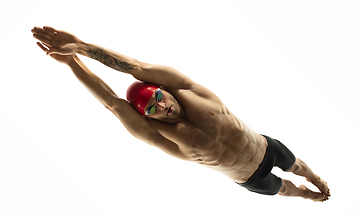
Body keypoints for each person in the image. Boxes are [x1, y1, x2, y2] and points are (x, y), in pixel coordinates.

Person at [31, 26, 330, 202]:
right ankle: (310, 196)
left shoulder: (190, 92)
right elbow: (112, 102)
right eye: (152, 108)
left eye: (159, 97)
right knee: (289, 191)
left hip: (267, 148)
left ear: (164, 89)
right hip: (249, 178)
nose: (161, 106)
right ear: (147, 116)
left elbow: (135, 66)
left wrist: (82, 47)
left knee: (299, 167)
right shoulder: (158, 134)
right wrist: (72, 63)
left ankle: (316, 179)